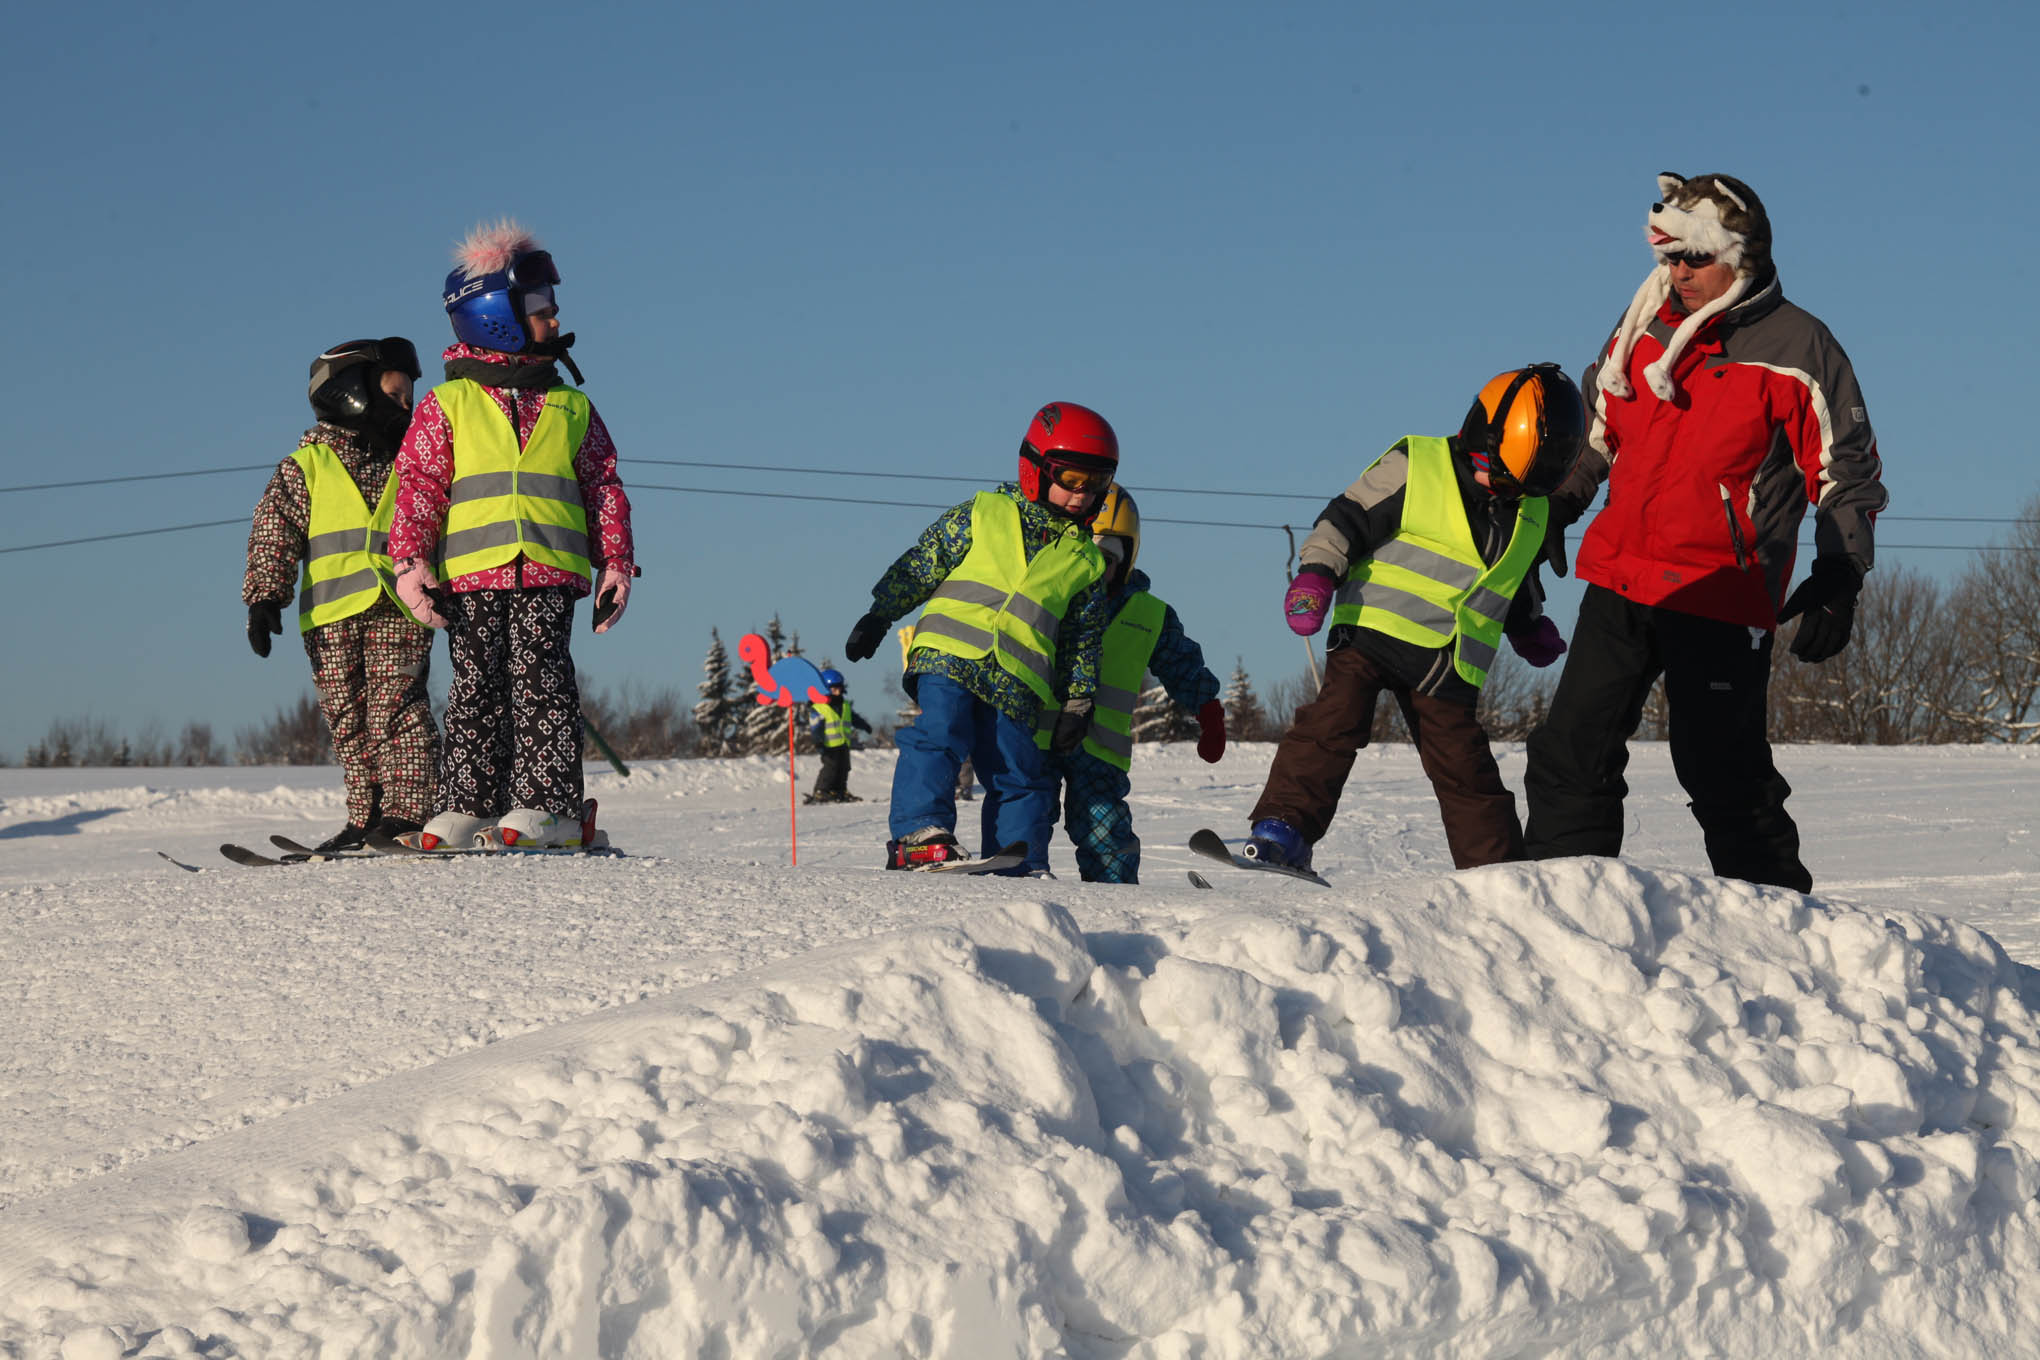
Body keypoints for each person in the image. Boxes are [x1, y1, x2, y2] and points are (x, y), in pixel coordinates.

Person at [1524, 173, 1886, 892]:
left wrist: (1841, 575)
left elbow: (1846, 471)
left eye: (1695, 258)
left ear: (1741, 257)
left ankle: (1778, 925)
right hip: (1622, 576)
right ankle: (1562, 913)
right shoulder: (1643, 323)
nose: (1678, 272)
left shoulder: (1798, 346)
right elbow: (1599, 426)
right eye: (1670, 257)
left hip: (1720, 591)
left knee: (1722, 770)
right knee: (1570, 751)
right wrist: (1560, 504)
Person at [1244, 365, 1583, 874]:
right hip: (1373, 634)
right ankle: (1283, 830)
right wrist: (1316, 575)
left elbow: (1512, 581)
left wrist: (1529, 625)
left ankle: (1499, 873)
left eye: (1517, 486)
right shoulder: (1417, 464)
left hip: (1448, 668)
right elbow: (1345, 518)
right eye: (1499, 473)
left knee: (1467, 772)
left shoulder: (1531, 512)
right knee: (1332, 726)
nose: (1503, 491)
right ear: (1479, 434)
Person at [385, 221, 638, 850]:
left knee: (542, 683)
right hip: (471, 577)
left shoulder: (571, 406)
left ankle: (548, 805)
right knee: (475, 687)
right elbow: (418, 486)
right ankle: (468, 803)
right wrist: (411, 562)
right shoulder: (448, 406)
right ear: (497, 318)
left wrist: (616, 565)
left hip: (547, 573)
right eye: (543, 311)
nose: (555, 321)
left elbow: (603, 487)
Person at [843, 402, 1114, 874]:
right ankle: (919, 833)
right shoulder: (985, 513)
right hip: (950, 655)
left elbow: (1081, 641)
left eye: (1095, 483)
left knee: (1023, 772)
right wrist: (880, 613)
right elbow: (923, 562)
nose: (1082, 494)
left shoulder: (1085, 562)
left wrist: (1076, 702)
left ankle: (1020, 861)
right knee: (940, 732)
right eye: (1071, 478)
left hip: (1016, 680)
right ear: (1035, 468)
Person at [243, 338, 440, 851]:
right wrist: (265, 597)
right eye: (395, 393)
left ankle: (408, 810)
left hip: (400, 607)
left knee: (394, 706)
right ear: (350, 393)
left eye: (409, 395)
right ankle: (366, 812)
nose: (406, 405)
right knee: (347, 717)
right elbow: (274, 530)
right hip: (330, 616)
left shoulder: (413, 464)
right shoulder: (305, 467)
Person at [1034, 485, 1224, 882]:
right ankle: (1021, 878)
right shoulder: (1043, 598)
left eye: (1104, 559)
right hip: (1036, 738)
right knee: (1025, 811)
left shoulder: (1149, 614)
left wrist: (1208, 709)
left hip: (1100, 750)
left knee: (1105, 831)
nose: (1091, 570)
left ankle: (1115, 896)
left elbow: (1181, 664)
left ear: (1126, 559)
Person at [805, 668, 873, 803]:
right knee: (830, 768)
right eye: (833, 689)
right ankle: (821, 791)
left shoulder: (844, 704)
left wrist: (864, 725)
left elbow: (854, 718)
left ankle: (839, 790)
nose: (837, 691)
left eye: (839, 688)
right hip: (828, 745)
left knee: (844, 767)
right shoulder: (819, 707)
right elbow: (816, 727)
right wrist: (818, 742)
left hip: (843, 743)